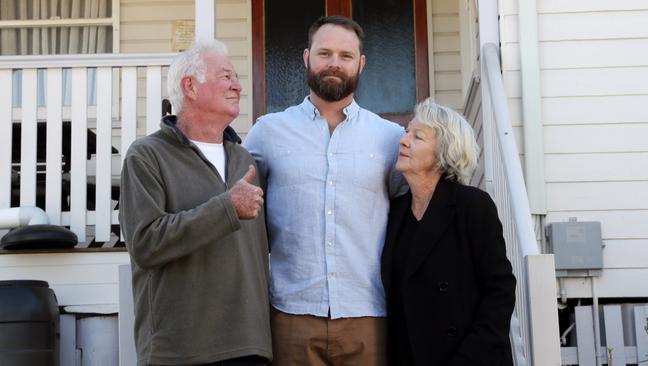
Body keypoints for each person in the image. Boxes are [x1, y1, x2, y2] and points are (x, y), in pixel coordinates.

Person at [243, 15, 404, 366]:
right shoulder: (267, 133)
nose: (334, 63)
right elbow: (242, 209)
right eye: (324, 53)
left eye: (346, 56)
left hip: (367, 313)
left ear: (361, 64)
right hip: (291, 312)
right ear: (306, 58)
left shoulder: (390, 138)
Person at [119, 39, 272, 366]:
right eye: (226, 76)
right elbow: (145, 243)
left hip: (250, 346)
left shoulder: (245, 160)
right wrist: (226, 208)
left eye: (236, 78)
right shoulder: (147, 155)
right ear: (190, 86)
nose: (238, 86)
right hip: (180, 351)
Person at [380, 98, 517, 365]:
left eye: (417, 136)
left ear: (444, 152)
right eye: (407, 132)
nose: (403, 140)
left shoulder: (472, 205)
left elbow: (500, 289)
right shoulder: (395, 213)